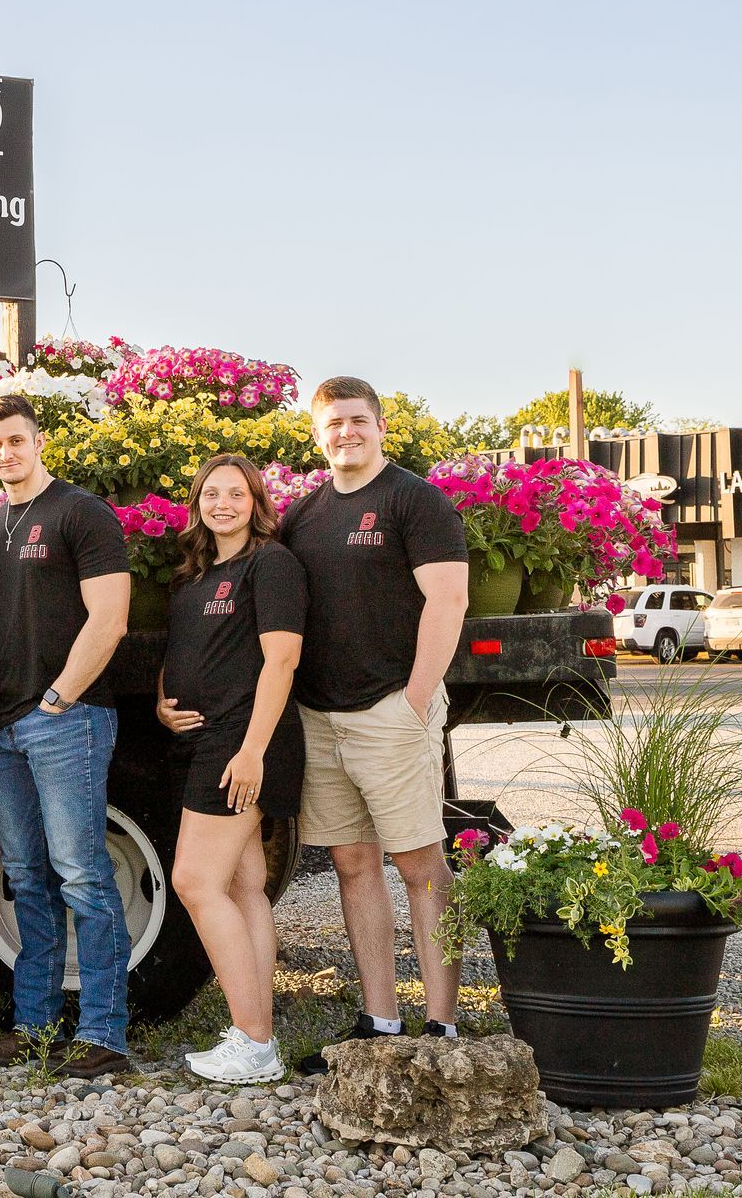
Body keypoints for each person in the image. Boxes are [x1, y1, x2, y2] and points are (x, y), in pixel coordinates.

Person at [279, 377, 469, 1071]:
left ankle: (443, 1028)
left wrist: (416, 701)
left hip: (391, 708)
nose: (346, 434)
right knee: (352, 863)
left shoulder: (414, 501)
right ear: (316, 433)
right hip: (321, 716)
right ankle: (381, 1022)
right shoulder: (305, 514)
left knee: (419, 863)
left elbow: (448, 601)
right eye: (333, 424)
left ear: (381, 425)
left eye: (358, 420)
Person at [0, 395, 134, 1078]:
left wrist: (58, 698)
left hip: (65, 721)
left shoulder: (81, 513)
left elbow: (111, 618)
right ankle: (35, 1026)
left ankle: (104, 1034)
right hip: (0, 727)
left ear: (40, 442)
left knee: (84, 877)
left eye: (16, 440)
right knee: (28, 880)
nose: (6, 452)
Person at [155, 454, 308, 1084]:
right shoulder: (196, 577)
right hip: (204, 738)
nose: (223, 504)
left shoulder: (269, 564)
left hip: (240, 743)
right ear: (197, 504)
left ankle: (253, 1038)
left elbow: (281, 662)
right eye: (211, 494)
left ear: (255, 502)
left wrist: (251, 751)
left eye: (236, 494)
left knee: (194, 881)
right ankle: (255, 1033)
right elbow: (186, 652)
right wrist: (165, 702)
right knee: (244, 886)